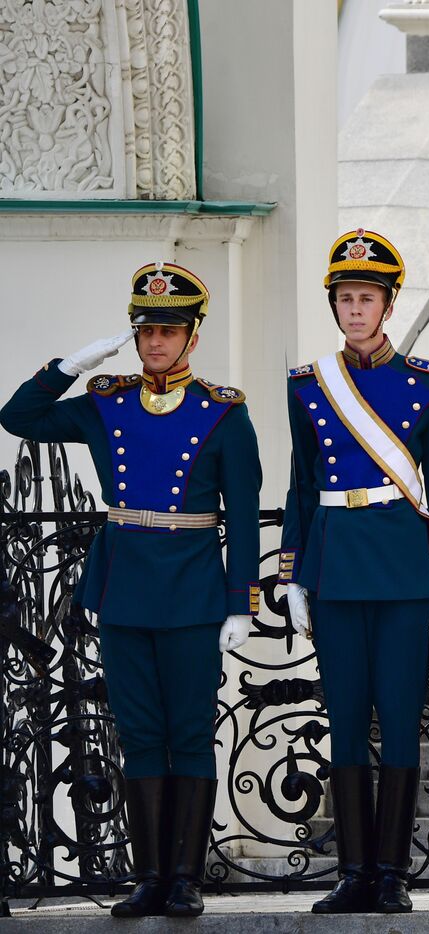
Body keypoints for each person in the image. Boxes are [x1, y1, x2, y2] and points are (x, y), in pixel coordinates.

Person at [0, 262, 260, 917]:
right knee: (140, 734)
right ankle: (149, 877)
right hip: (124, 591)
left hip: (195, 592)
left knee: (190, 734)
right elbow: (18, 417)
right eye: (145, 331)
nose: (155, 343)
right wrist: (67, 365)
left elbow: (245, 515)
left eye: (169, 331)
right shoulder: (105, 402)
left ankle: (185, 878)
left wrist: (240, 603)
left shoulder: (224, 414)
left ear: (193, 337)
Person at [279, 229, 429, 914]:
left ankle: (393, 873)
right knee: (347, 721)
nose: (355, 310)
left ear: (388, 306)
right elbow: (301, 487)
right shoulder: (308, 386)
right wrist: (292, 573)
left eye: (367, 298)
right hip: (334, 569)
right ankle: (352, 872)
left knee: (399, 718)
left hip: (401, 571)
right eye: (346, 298)